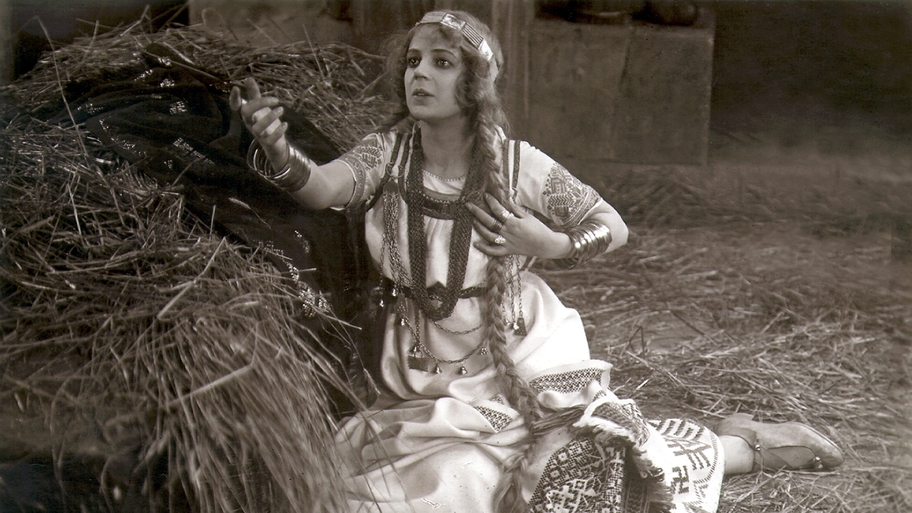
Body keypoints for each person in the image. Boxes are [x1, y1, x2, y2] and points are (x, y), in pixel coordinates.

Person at [231, 10, 843, 512]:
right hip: (421, 362)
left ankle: (738, 449)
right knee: (411, 488)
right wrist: (280, 152)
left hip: (521, 349)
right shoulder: (388, 155)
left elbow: (612, 225)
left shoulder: (518, 164)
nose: (420, 74)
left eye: (442, 63)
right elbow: (323, 189)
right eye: (414, 61)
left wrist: (548, 244)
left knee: (566, 473)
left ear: (475, 83)